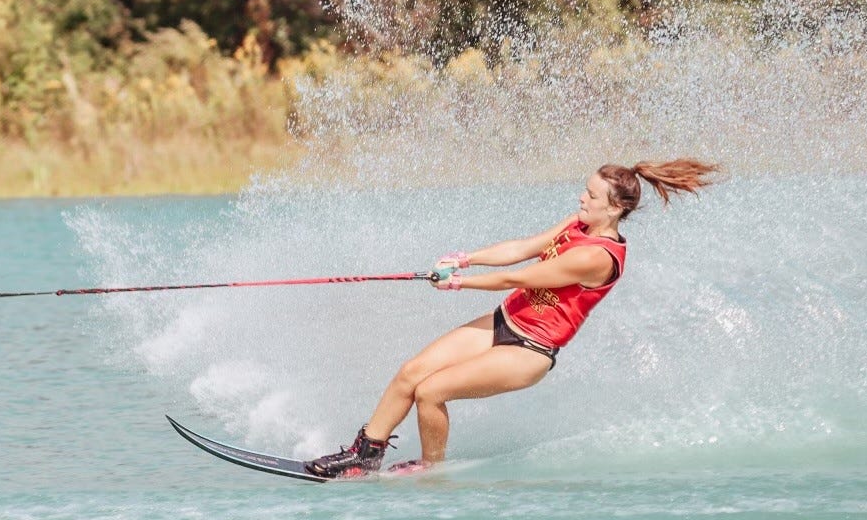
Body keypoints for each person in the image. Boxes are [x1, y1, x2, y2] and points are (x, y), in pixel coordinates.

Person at [305, 159, 720, 479]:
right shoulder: (579, 224)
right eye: (584, 190)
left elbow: (519, 277)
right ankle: (363, 455)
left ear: (614, 208)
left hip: (530, 351)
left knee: (432, 392)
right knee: (411, 373)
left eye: (591, 196)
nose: (581, 199)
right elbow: (524, 248)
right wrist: (466, 258)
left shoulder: (598, 257)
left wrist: (459, 285)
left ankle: (431, 472)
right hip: (503, 321)